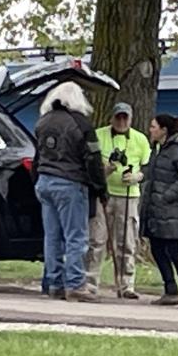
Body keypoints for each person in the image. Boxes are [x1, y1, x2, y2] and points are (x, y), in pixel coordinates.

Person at [32, 82, 106, 303]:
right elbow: (93, 159)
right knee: (76, 237)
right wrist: (100, 187)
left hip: (45, 181)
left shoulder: (42, 122)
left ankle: (53, 283)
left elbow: (37, 157)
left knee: (52, 236)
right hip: (70, 183)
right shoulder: (81, 123)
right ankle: (75, 284)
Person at [85, 102, 151, 299]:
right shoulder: (99, 135)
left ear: (130, 119)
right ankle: (90, 283)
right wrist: (105, 170)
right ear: (111, 118)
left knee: (127, 241)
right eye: (118, 117)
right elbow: (90, 165)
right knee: (97, 239)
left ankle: (126, 284)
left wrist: (137, 177)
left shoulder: (140, 139)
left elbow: (147, 168)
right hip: (103, 195)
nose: (121, 121)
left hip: (129, 196)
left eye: (125, 118)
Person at [142, 114, 178, 307]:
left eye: (154, 126)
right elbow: (154, 173)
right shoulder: (159, 150)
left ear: (164, 130)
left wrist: (167, 195)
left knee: (174, 250)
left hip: (172, 209)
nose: (151, 130)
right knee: (157, 248)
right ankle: (170, 289)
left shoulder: (177, 150)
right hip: (157, 208)